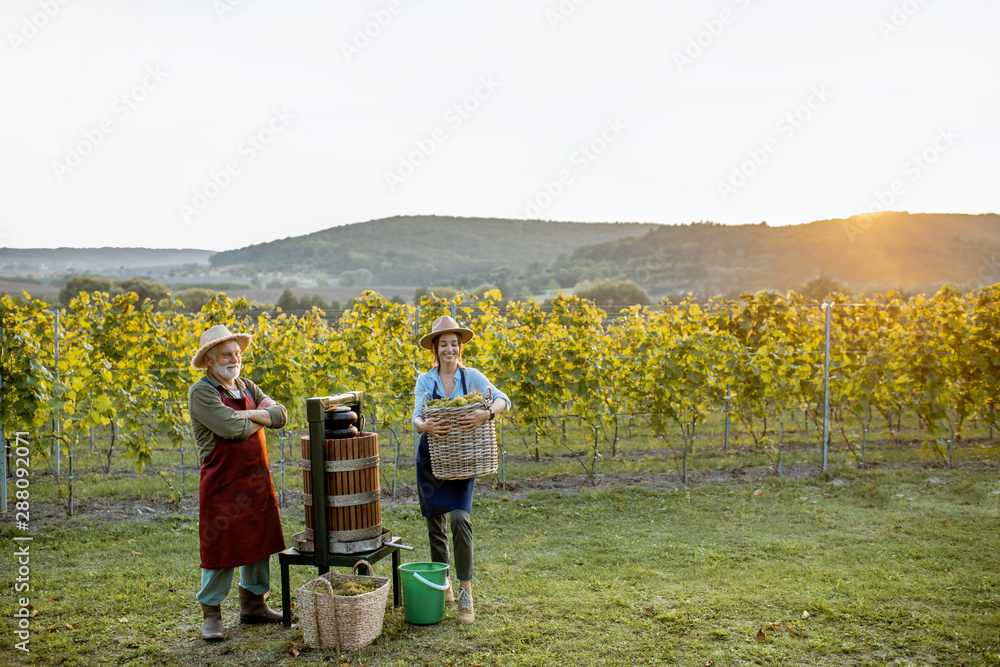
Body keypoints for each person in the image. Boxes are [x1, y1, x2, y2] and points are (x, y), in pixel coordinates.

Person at [188, 324, 288, 641]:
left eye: (237, 353)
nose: (234, 358)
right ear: (209, 360)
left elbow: (281, 415)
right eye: (226, 354)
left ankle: (254, 605)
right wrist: (255, 415)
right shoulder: (202, 392)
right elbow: (229, 429)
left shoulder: (246, 386)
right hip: (222, 482)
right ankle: (212, 614)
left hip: (256, 481)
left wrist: (247, 415)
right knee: (220, 545)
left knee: (259, 541)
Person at [411, 315, 511, 624]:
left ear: (460, 347)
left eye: (454, 344)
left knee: (459, 519)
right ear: (436, 349)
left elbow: (503, 399)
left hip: (464, 460)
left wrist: (486, 415)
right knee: (434, 526)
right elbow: (416, 417)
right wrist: (424, 425)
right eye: (443, 345)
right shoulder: (426, 381)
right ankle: (444, 586)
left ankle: (466, 596)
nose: (449, 349)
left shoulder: (473, 378)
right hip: (432, 460)